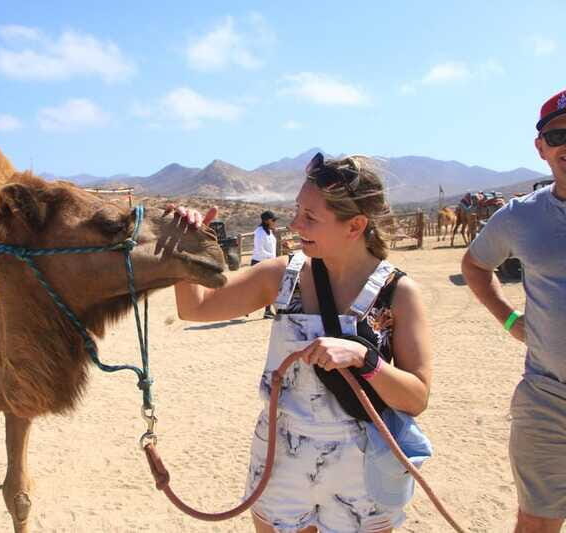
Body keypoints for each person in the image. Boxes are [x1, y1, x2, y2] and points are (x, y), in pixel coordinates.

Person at [170, 153, 432, 532]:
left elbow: (416, 398)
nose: (294, 224)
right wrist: (186, 248)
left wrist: (365, 358)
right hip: (281, 458)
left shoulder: (398, 293)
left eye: (310, 216)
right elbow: (196, 308)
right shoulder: (282, 276)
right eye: (296, 210)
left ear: (355, 225)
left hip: (361, 469)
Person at [461, 89, 566, 533]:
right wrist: (509, 320)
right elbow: (474, 264)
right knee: (537, 521)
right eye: (559, 134)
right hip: (548, 399)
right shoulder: (519, 217)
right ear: (541, 147)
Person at [252, 210, 279, 318]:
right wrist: (272, 258)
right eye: (273, 220)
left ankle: (267, 311)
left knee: (270, 287)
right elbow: (260, 250)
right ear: (267, 221)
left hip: (269, 262)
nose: (275, 222)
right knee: (258, 289)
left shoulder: (269, 231)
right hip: (260, 262)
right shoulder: (259, 233)